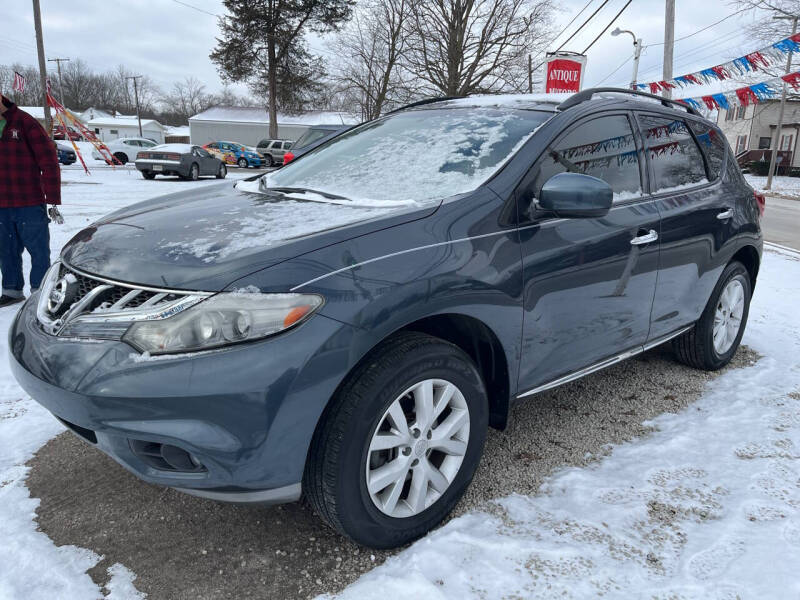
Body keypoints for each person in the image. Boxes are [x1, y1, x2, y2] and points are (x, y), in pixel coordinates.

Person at [0, 93, 60, 307]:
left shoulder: (25, 122)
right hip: (1, 205)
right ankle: (11, 290)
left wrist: (52, 198)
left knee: (38, 250)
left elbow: (49, 160)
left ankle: (40, 291)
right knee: (5, 249)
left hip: (29, 202)